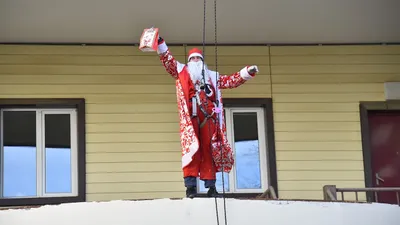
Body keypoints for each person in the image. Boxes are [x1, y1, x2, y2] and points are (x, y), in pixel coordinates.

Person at [156, 35, 259, 198]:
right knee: (191, 150)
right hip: (191, 119)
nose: (196, 60)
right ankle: (190, 187)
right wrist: (161, 44)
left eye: (198, 58)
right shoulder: (182, 71)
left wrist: (246, 73)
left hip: (209, 118)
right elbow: (168, 61)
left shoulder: (213, 76)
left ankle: (211, 187)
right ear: (189, 61)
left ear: (203, 61)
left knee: (210, 151)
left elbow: (229, 81)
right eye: (193, 58)